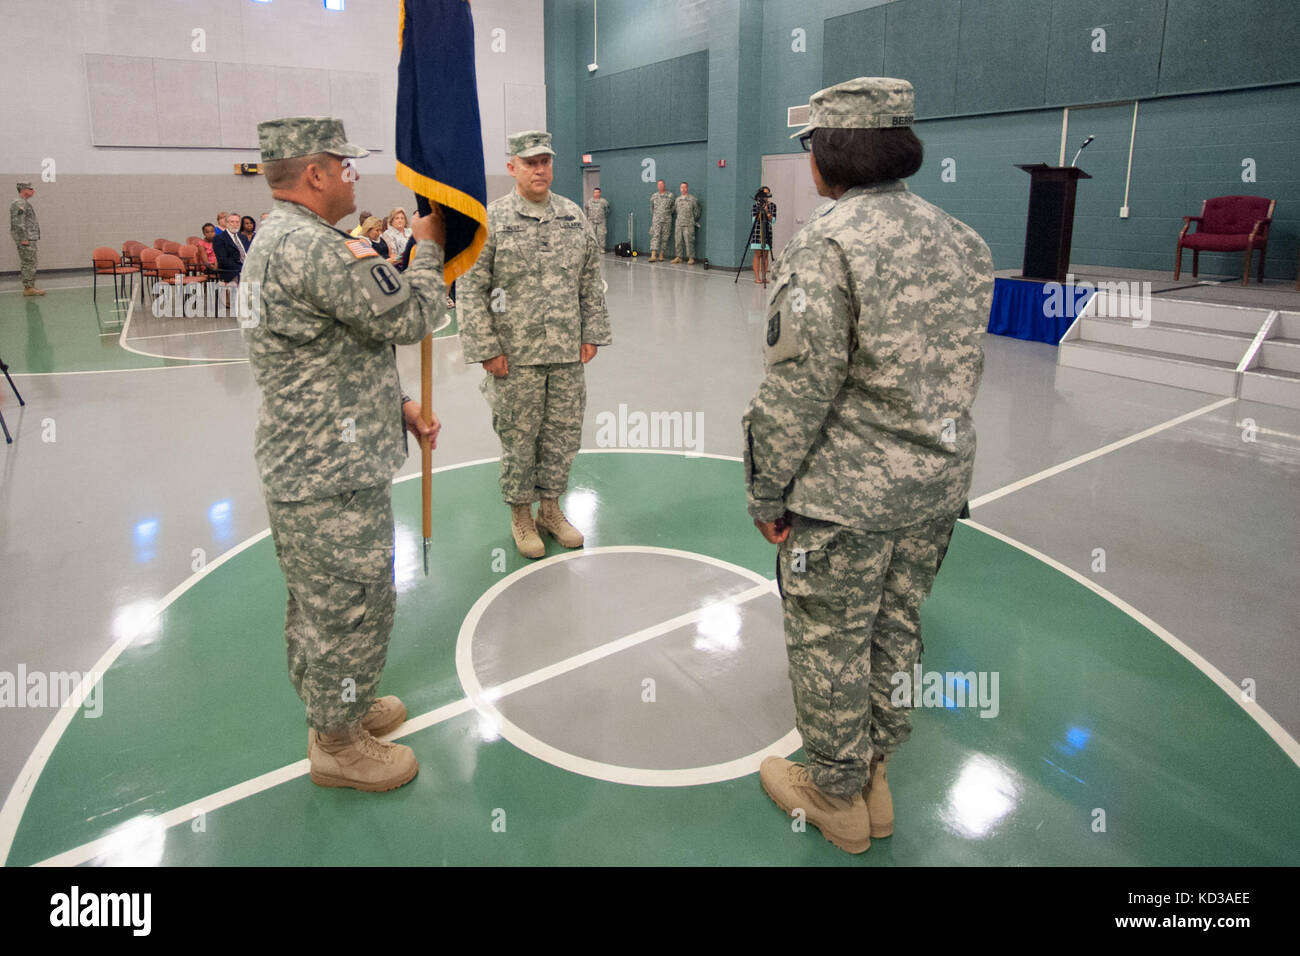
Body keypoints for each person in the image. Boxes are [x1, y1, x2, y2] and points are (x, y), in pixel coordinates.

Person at [744, 78, 994, 853]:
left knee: (830, 640)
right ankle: (875, 774)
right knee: (895, 631)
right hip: (933, 489)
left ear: (829, 152)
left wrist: (766, 491)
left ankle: (835, 794)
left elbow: (799, 390)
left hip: (846, 497)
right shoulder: (963, 240)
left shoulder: (826, 244)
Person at [243, 116, 446, 792]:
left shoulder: (281, 239)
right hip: (327, 475)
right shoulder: (314, 248)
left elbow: (326, 360)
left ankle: (344, 708)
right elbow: (413, 317)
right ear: (315, 174)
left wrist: (397, 408)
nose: (354, 177)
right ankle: (337, 744)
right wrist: (427, 249)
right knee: (346, 607)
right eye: (346, 166)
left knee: (321, 603)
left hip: (318, 461)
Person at [459, 130, 610, 559]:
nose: (539, 169)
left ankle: (550, 509)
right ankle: (520, 514)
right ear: (513, 168)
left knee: (562, 435)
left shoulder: (572, 215)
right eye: (530, 162)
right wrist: (487, 347)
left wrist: (592, 332)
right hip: (515, 356)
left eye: (545, 161)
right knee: (519, 437)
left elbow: (589, 278)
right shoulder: (493, 220)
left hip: (566, 352)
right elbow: (472, 289)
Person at [10, 182, 43, 296]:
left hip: (29, 238)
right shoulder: (20, 203)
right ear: (24, 190)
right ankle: (28, 288)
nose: (33, 191)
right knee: (29, 263)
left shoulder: (23, 203)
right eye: (31, 189)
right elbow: (18, 223)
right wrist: (23, 238)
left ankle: (30, 286)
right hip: (26, 238)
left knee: (30, 262)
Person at [670, 180, 701, 264]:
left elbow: (697, 211)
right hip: (679, 223)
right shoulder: (677, 200)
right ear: (680, 189)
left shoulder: (693, 199)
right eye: (681, 187)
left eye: (685, 187)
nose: (683, 189)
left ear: (687, 188)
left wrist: (692, 219)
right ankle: (679, 257)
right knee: (678, 241)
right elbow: (674, 210)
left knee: (689, 241)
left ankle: (691, 258)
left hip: (688, 224)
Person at [750, 186, 776, 284]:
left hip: (767, 232)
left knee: (765, 255)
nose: (766, 196)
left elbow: (773, 220)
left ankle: (764, 277)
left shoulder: (773, 206)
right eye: (764, 194)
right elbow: (753, 220)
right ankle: (757, 278)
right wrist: (760, 210)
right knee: (758, 255)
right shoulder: (755, 206)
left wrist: (766, 211)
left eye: (767, 194)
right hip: (757, 232)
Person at [212, 212, 248, 282]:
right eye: (232, 222)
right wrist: (243, 268)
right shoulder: (219, 238)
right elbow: (223, 260)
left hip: (246, 269)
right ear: (226, 223)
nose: (235, 225)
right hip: (231, 272)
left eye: (237, 222)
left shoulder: (243, 237)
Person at [647, 179, 674, 262]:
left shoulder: (670, 195)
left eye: (662, 184)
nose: (660, 186)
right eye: (659, 185)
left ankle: (661, 254)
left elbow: (673, 207)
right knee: (655, 235)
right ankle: (653, 255)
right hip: (656, 220)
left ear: (664, 185)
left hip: (667, 219)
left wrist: (667, 214)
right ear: (657, 186)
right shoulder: (654, 196)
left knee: (665, 237)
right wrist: (656, 215)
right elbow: (651, 208)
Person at [583, 186, 609, 251]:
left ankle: (601, 248)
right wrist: (586, 218)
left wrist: (604, 216)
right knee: (591, 235)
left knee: (601, 235)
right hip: (591, 221)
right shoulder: (589, 201)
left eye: (597, 192)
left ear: (600, 193)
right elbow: (585, 209)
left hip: (601, 221)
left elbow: (608, 209)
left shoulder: (603, 202)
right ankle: (592, 249)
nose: (596, 194)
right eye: (595, 192)